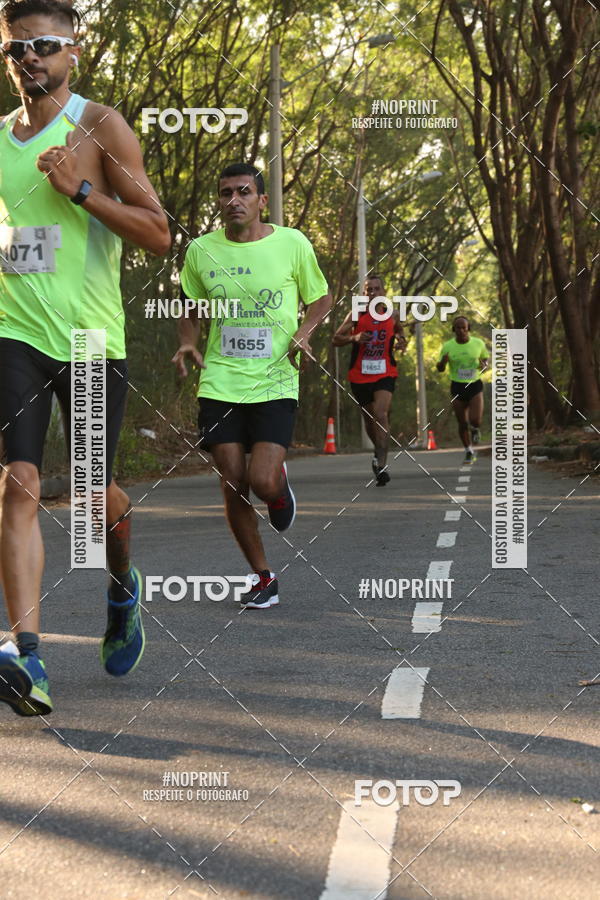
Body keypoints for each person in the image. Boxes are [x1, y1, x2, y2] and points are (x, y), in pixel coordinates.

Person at [0, 0, 171, 716]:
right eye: (16, 47)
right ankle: (28, 659)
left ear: (73, 51)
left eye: (44, 45)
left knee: (97, 500)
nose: (30, 57)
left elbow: (160, 234)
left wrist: (83, 190)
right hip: (15, 333)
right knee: (20, 483)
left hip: (90, 340)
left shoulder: (101, 126)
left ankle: (122, 587)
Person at [173, 162, 331, 609]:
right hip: (220, 380)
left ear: (262, 201)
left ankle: (278, 487)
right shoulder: (201, 252)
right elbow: (189, 308)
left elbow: (321, 297)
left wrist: (305, 329)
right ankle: (263, 577)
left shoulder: (292, 243)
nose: (233, 200)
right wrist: (188, 343)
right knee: (232, 481)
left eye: (244, 192)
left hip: (276, 379)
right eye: (225, 193)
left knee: (260, 480)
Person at [333, 274, 406, 485]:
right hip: (360, 375)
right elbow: (336, 338)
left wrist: (402, 340)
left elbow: (399, 331)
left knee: (380, 414)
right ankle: (378, 450)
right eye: (368, 290)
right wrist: (354, 338)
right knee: (369, 419)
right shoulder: (356, 314)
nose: (373, 293)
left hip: (385, 372)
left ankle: (381, 464)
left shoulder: (392, 314)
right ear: (364, 293)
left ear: (383, 292)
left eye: (376, 289)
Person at [436, 315, 488, 463]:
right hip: (457, 386)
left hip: (474, 384)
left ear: (468, 329)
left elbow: (485, 361)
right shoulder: (447, 346)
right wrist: (443, 363)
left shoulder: (478, 343)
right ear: (454, 329)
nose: (461, 330)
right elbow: (440, 368)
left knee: (475, 420)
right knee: (462, 422)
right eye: (458, 328)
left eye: (464, 327)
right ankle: (468, 451)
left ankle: (476, 429)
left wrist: (484, 365)